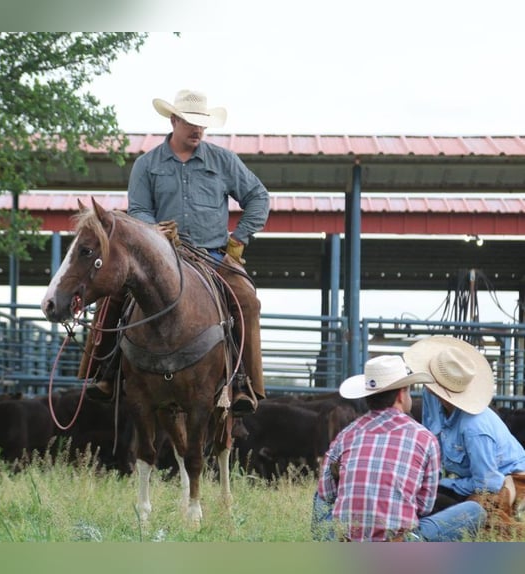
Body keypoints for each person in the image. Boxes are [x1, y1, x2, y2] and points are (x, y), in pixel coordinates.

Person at [84, 89, 270, 414]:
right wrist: (154, 232)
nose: (198, 130)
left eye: (203, 124)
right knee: (113, 293)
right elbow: (139, 208)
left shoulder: (223, 161)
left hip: (211, 257)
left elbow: (258, 197)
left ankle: (244, 382)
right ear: (173, 121)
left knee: (246, 300)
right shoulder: (147, 164)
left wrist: (237, 242)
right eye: (191, 123)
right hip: (158, 256)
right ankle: (105, 371)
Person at [312, 354, 486, 542]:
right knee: (475, 511)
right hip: (398, 540)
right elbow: (424, 506)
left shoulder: (346, 435)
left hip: (348, 538)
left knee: (320, 494)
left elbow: (327, 494)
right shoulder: (425, 438)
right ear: (402, 394)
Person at [403, 335, 525, 523]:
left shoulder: (475, 428)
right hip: (468, 478)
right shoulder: (432, 398)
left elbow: (487, 483)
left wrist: (442, 483)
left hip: (506, 479)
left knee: (479, 514)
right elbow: (430, 441)